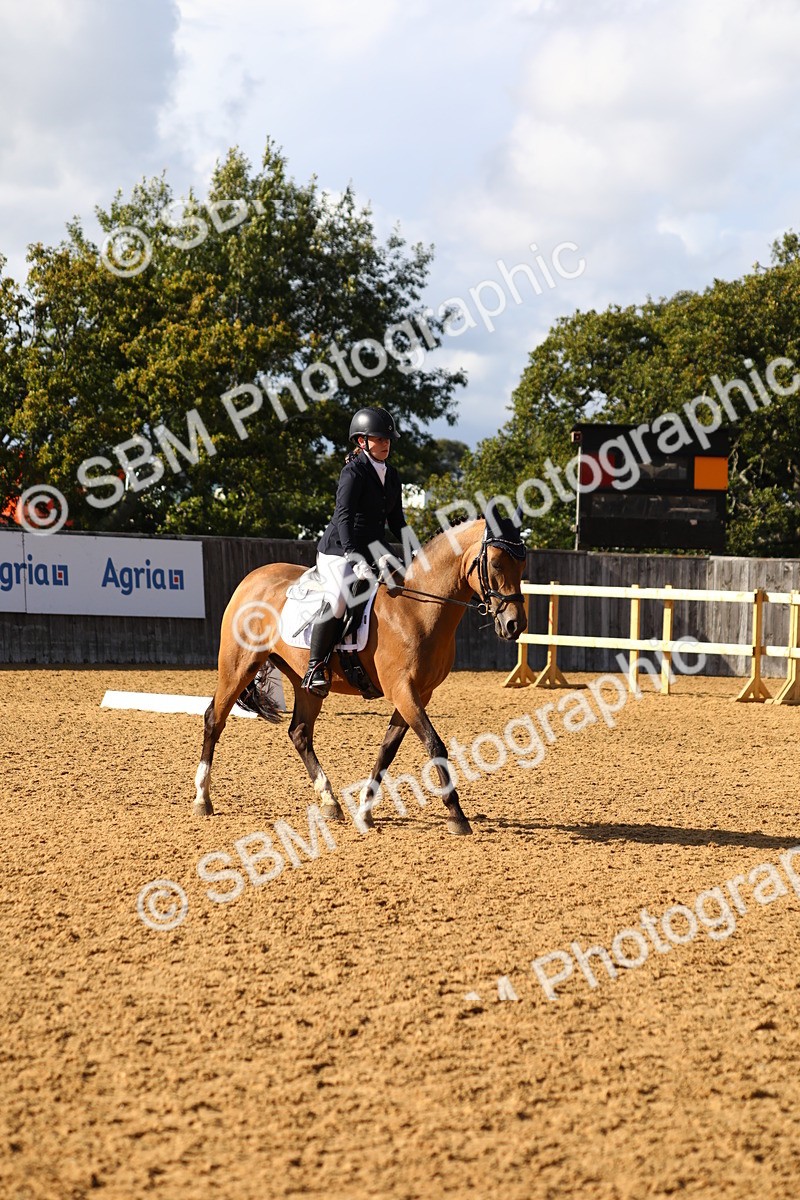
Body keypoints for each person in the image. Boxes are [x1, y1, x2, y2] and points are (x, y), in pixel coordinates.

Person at [300, 406, 409, 697]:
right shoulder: (353, 472)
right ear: (362, 441)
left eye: (388, 439)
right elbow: (344, 517)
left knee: (405, 584)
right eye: (379, 439)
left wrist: (416, 551)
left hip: (374, 546)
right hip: (339, 548)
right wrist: (353, 557)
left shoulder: (392, 474)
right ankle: (315, 666)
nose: (386, 443)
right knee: (338, 598)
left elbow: (397, 520)